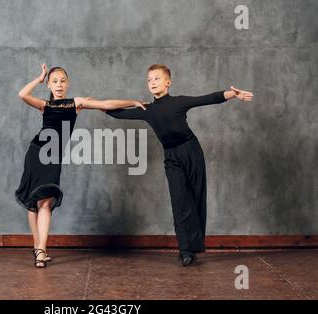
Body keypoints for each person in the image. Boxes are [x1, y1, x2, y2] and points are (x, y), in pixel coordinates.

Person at [105, 64, 253, 266]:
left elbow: (207, 99)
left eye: (156, 79)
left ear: (168, 82)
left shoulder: (179, 102)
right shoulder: (147, 110)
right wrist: (89, 104)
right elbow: (116, 113)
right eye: (149, 80)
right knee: (179, 201)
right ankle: (185, 250)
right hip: (171, 156)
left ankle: (194, 246)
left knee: (196, 196)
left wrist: (233, 94)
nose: (152, 83)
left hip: (191, 151)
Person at [15, 64, 145, 268]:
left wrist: (133, 102)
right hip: (36, 152)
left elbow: (107, 104)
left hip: (53, 157)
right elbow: (22, 93)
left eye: (62, 81)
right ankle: (39, 249)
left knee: (46, 202)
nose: (59, 85)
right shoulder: (44, 105)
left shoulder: (76, 103)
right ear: (49, 84)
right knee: (34, 202)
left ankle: (40, 249)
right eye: (54, 81)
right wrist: (39, 79)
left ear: (68, 84)